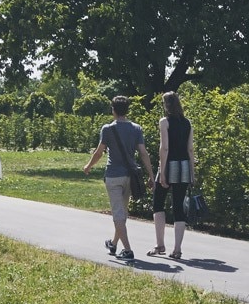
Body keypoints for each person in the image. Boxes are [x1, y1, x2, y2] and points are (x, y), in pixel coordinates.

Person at [83, 95, 153, 260]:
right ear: (127, 110)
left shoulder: (107, 129)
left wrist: (88, 166)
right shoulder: (136, 129)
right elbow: (143, 153)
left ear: (113, 110)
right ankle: (114, 243)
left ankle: (128, 250)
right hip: (130, 176)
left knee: (118, 214)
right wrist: (151, 175)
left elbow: (99, 152)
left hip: (113, 175)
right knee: (122, 211)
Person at [148, 91, 197, 260]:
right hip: (184, 166)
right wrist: (192, 171)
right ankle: (177, 249)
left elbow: (164, 147)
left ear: (165, 105)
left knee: (158, 204)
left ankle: (160, 244)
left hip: (169, 165)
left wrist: (162, 171)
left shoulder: (164, 122)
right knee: (178, 207)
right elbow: (190, 149)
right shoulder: (187, 123)